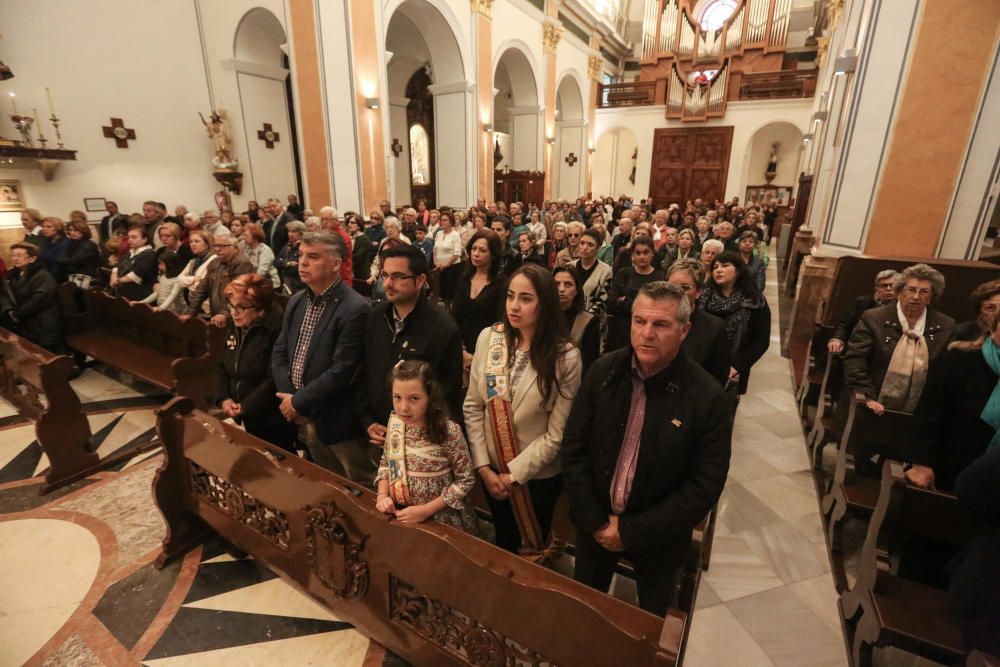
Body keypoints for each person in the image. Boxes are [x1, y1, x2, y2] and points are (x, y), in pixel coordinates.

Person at [561, 281, 731, 616]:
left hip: (660, 539)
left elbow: (705, 484)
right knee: (582, 613)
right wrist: (596, 522)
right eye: (640, 321)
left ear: (685, 331)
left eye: (661, 324)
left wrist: (630, 531)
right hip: (594, 524)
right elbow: (574, 448)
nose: (647, 333)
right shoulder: (603, 372)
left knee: (652, 623)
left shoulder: (707, 396)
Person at [464, 264, 583, 556]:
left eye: (526, 298)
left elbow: (557, 434)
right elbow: (473, 406)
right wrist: (483, 467)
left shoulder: (566, 357)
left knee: (531, 545)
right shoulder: (489, 339)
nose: (514, 306)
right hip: (490, 468)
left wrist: (512, 475)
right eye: (510, 296)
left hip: (535, 476)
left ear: (545, 303)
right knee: (503, 538)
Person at [272, 232, 373, 481]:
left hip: (337, 417)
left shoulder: (355, 308)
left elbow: (343, 369)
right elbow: (280, 352)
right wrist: (292, 401)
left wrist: (298, 402)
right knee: (326, 481)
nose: (302, 263)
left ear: (336, 264)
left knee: (358, 483)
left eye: (313, 257)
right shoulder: (297, 301)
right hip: (302, 412)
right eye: (301, 255)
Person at [358, 244, 464, 450]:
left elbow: (446, 394)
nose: (388, 284)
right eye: (385, 275)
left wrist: (410, 434)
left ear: (421, 280)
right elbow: (364, 371)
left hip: (418, 441)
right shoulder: (376, 316)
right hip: (375, 431)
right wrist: (367, 420)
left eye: (398, 276)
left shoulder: (442, 328)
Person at [374, 360, 478, 532]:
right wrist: (382, 496)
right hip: (401, 512)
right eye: (397, 397)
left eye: (414, 398)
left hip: (441, 520)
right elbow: (386, 464)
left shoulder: (448, 431)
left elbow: (465, 480)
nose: (403, 408)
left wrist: (426, 510)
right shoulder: (396, 425)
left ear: (430, 396)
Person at [902, 311, 999, 492]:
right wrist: (921, 463)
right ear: (994, 327)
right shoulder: (960, 359)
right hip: (945, 469)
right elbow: (928, 414)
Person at [844, 263, 955, 415]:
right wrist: (867, 397)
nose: (916, 297)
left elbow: (943, 372)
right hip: (871, 403)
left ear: (931, 297)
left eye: (924, 292)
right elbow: (856, 360)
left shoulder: (945, 325)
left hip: (919, 412)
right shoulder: (873, 318)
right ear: (900, 292)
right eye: (911, 290)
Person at [214, 274, 297, 451]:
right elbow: (222, 364)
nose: (233, 312)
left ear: (261, 310)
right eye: (231, 306)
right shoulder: (237, 323)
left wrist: (245, 407)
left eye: (241, 307)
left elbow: (274, 378)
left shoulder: (276, 330)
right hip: (240, 412)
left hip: (270, 418)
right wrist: (224, 398)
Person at [698, 251, 771, 394]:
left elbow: (761, 341)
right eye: (715, 267)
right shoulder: (703, 297)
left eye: (725, 266)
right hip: (702, 364)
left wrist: (738, 367)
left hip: (733, 367)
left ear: (738, 271)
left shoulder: (754, 301)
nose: (718, 270)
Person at [667, 259, 730, 386]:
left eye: (685, 288)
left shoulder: (714, 328)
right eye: (672, 287)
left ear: (699, 291)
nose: (677, 293)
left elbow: (717, 378)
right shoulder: (652, 319)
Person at [452, 229, 506, 378]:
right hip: (461, 350)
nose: (475, 254)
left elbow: (500, 324)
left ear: (493, 254)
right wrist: (462, 351)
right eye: (473, 249)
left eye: (482, 250)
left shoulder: (501, 284)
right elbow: (454, 316)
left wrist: (478, 356)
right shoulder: (463, 278)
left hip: (489, 353)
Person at [1, 243, 64, 353]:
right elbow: (5, 293)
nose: (15, 258)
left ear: (32, 259)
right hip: (24, 321)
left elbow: (39, 300)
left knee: (43, 354)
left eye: (19, 255)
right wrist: (9, 309)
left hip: (41, 323)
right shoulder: (13, 274)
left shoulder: (42, 276)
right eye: (13, 255)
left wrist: (17, 314)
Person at [606, 237, 664, 352]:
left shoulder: (660, 277)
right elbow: (611, 304)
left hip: (648, 330)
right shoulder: (624, 273)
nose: (642, 256)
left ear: (652, 254)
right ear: (633, 255)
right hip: (622, 330)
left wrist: (624, 300)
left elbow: (658, 308)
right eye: (638, 253)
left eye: (646, 252)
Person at [183, 233, 254, 327]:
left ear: (235, 248)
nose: (217, 249)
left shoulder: (242, 263)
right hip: (217, 314)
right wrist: (190, 312)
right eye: (215, 246)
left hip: (236, 316)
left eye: (222, 246)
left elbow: (239, 293)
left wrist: (224, 313)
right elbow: (202, 289)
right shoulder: (215, 262)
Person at [827, 269, 898, 354]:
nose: (888, 289)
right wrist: (837, 339)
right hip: (861, 346)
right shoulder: (862, 303)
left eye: (892, 285)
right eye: (884, 285)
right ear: (876, 289)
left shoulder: (904, 307)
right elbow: (844, 325)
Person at [554, 266, 601, 375]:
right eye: (556, 284)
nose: (561, 289)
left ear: (576, 290)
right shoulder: (541, 315)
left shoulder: (588, 321)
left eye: (568, 284)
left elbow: (589, 364)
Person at [572, 228, 613, 320]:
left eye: (590, 245)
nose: (585, 247)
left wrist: (585, 319)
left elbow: (603, 300)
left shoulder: (606, 270)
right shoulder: (570, 267)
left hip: (593, 322)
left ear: (598, 248)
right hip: (569, 317)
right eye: (582, 243)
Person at [110, 226, 157, 301]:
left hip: (139, 294)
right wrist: (113, 276)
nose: (130, 240)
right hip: (124, 292)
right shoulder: (129, 252)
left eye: (134, 237)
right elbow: (117, 265)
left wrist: (118, 281)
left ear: (145, 239)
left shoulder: (149, 254)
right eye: (129, 237)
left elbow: (136, 275)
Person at [57, 220, 101, 288]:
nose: (72, 233)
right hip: (73, 276)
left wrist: (62, 261)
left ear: (83, 231)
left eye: (76, 230)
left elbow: (75, 261)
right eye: (71, 230)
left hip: (86, 278)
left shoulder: (88, 245)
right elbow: (60, 257)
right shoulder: (71, 243)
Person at [176, 230, 217, 299]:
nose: (193, 244)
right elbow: (179, 280)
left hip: (206, 302)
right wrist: (194, 279)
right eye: (191, 242)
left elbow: (200, 285)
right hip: (192, 300)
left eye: (197, 241)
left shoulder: (214, 259)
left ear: (207, 244)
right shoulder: (193, 261)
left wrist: (188, 282)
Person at [433, 211, 463, 302]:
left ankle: (451, 313)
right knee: (442, 293)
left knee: (450, 294)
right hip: (439, 267)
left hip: (452, 268)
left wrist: (446, 264)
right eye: (441, 220)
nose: (442, 222)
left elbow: (457, 253)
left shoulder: (455, 235)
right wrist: (436, 263)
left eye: (445, 220)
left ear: (451, 222)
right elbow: (435, 250)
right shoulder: (439, 234)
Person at [319, 206, 354, 286]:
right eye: (322, 219)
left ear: (336, 220)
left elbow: (331, 259)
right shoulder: (324, 234)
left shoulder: (342, 237)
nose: (324, 222)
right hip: (327, 280)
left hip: (340, 282)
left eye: (326, 219)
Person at [241, 223, 280, 288]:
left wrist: (247, 282)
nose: (244, 238)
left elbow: (261, 272)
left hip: (268, 283)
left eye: (246, 236)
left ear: (255, 238)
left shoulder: (265, 250)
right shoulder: (245, 247)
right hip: (251, 281)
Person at [274, 221, 306, 293]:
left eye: (294, 231)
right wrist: (288, 264)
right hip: (287, 286)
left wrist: (283, 264)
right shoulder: (287, 246)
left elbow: (295, 269)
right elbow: (275, 262)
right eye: (289, 231)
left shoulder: (304, 247)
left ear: (301, 233)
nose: (290, 234)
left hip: (301, 287)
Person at [37, 217, 71, 283]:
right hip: (45, 276)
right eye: (43, 227)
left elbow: (60, 266)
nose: (44, 229)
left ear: (58, 228)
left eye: (48, 227)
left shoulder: (65, 242)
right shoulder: (45, 241)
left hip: (58, 279)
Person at [737, 230, 766, 294]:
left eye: (751, 242)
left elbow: (760, 284)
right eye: (744, 241)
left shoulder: (759, 262)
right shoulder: (732, 259)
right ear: (739, 245)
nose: (747, 243)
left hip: (751, 296)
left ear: (754, 246)